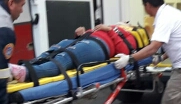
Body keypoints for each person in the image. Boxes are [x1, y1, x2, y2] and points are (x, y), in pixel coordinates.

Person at [8, 23, 147, 83]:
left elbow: (123, 51)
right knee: (55, 49)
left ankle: (26, 73)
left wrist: (109, 30)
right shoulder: (116, 27)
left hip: (99, 47)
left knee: (65, 58)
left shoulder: (132, 37)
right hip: (86, 40)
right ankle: (22, 68)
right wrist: (81, 33)